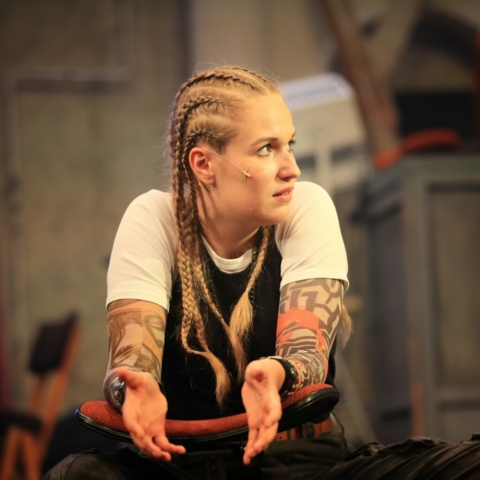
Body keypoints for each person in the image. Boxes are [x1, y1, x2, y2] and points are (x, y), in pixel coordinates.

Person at [42, 66, 480, 480]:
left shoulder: (304, 206)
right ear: (204, 164)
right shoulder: (153, 218)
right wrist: (129, 388)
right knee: (76, 474)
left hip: (300, 463)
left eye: (290, 144)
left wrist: (278, 373)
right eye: (267, 148)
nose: (292, 168)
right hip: (179, 467)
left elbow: (306, 350)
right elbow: (132, 361)